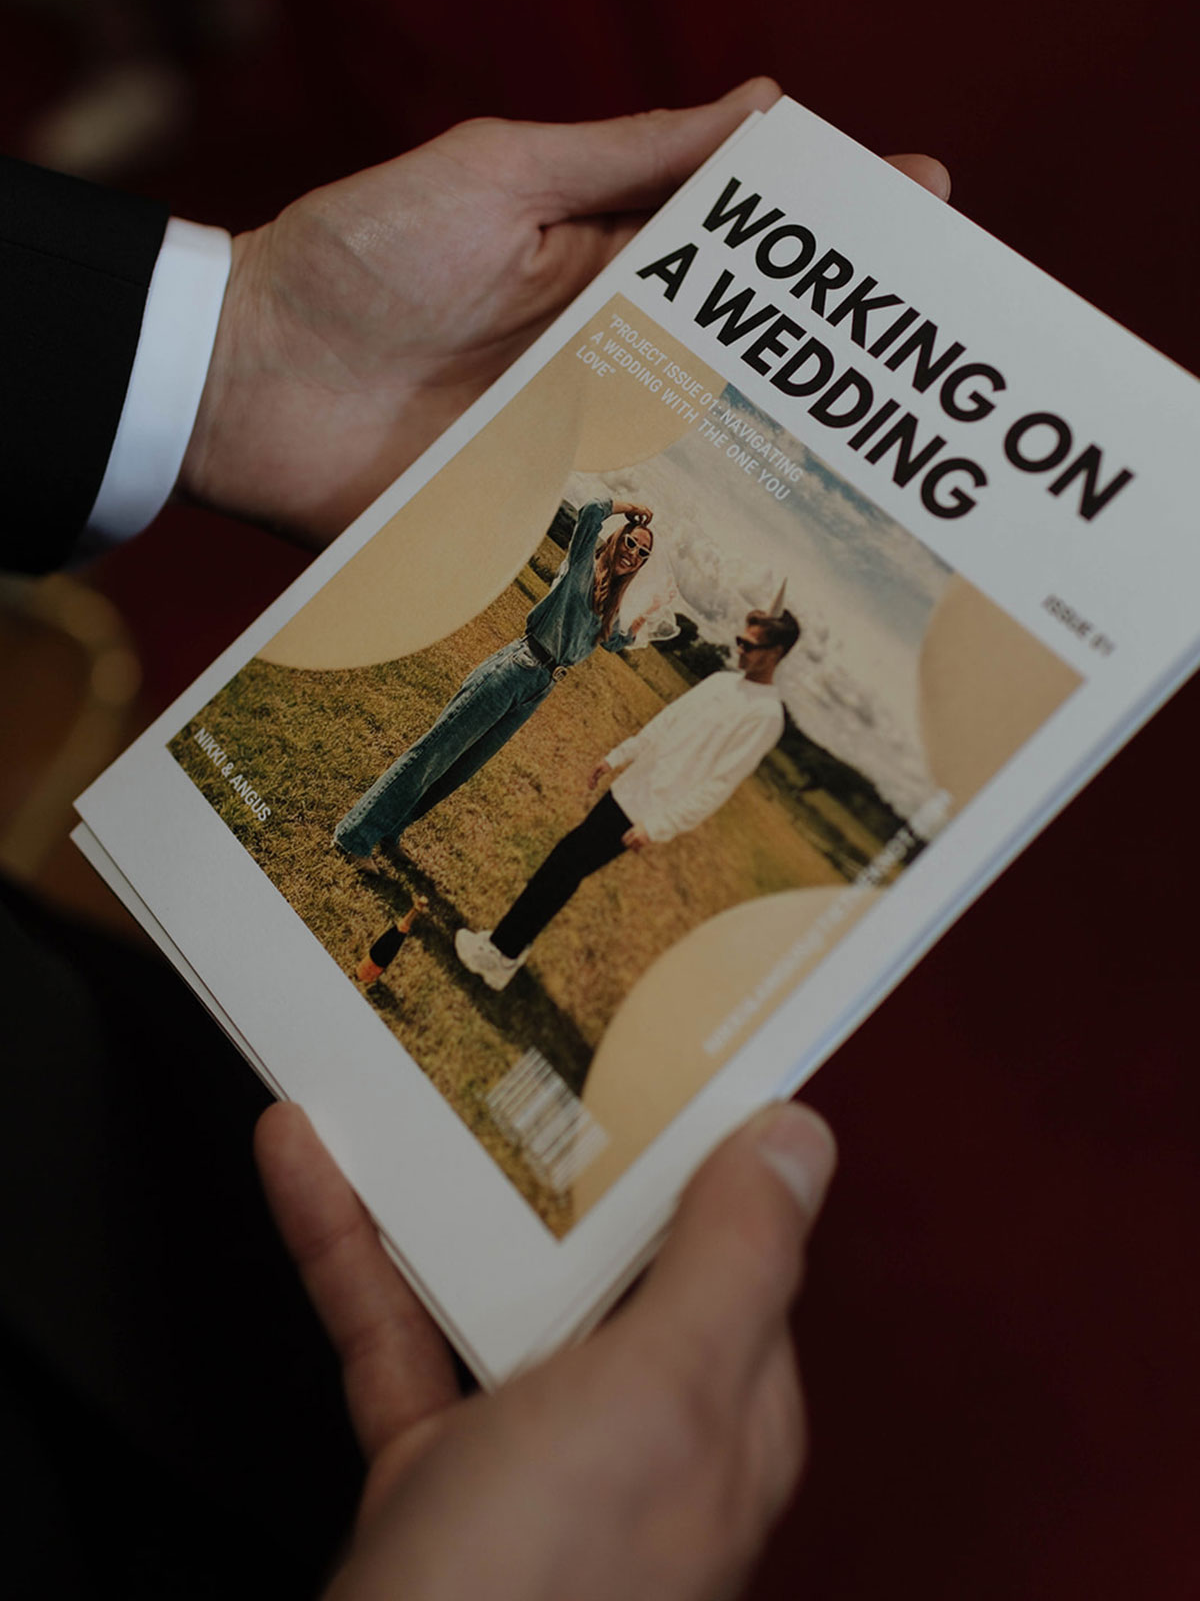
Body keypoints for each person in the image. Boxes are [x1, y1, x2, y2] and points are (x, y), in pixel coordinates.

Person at [1, 84, 951, 1598]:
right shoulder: (596, 551)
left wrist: (234, 340)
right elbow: (604, 568)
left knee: (217, 1234)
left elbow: (682, 697)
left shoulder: (672, 630)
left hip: (83, 1085)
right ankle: (432, 884)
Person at [456, 606, 799, 989]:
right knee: (566, 864)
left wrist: (659, 825)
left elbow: (720, 783)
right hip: (630, 788)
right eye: (739, 639)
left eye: (749, 645)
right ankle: (509, 948)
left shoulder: (767, 715)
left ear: (777, 652)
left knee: (565, 864)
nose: (739, 649)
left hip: (647, 809)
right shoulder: (722, 683)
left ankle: (501, 953)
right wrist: (618, 757)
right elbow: (668, 721)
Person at [332, 498, 658, 870]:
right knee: (436, 752)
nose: (633, 553)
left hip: (539, 689)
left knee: (461, 768)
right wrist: (629, 507)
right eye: (631, 542)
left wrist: (642, 619)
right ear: (617, 540)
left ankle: (391, 830)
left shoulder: (609, 607)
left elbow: (614, 642)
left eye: (642, 553)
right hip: (517, 667)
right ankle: (355, 836)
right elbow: (590, 513)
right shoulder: (583, 565)